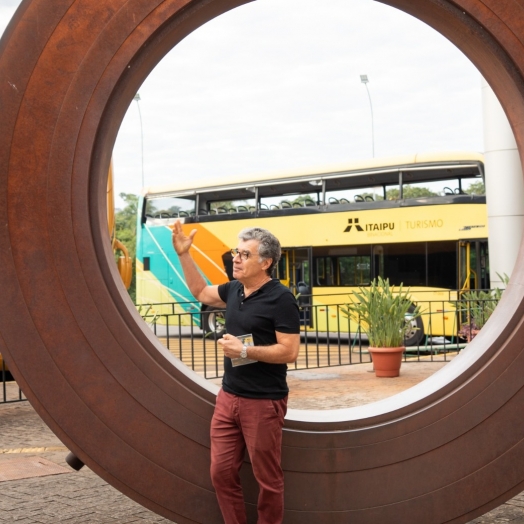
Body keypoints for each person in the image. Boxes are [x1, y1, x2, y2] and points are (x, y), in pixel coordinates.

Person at [172, 221, 300, 524]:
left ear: (265, 262)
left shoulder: (281, 298)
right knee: (220, 472)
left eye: (244, 254)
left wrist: (244, 351)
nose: (236, 259)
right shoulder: (233, 290)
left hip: (263, 402)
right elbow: (201, 291)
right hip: (228, 397)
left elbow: (289, 351)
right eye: (235, 252)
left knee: (267, 479)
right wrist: (183, 255)